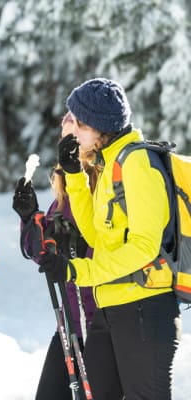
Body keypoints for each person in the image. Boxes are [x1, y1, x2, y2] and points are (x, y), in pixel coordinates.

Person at [38, 78, 180, 399]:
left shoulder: (137, 163)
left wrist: (79, 271)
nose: (68, 129)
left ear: (98, 126)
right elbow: (95, 236)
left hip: (144, 309)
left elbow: (145, 246)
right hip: (110, 308)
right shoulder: (108, 163)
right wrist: (74, 175)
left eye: (76, 122)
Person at [12, 114, 98, 400]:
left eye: (75, 139)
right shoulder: (61, 200)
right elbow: (41, 253)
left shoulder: (106, 188)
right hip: (70, 327)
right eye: (64, 140)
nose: (68, 148)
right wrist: (29, 217)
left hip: (103, 328)